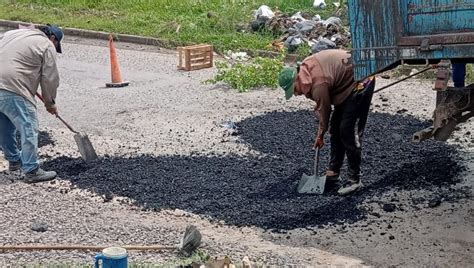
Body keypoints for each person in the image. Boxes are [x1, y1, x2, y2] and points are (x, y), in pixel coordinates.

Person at [278, 49, 375, 195]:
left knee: (346, 129)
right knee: (335, 128)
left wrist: (320, 135)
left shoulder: (318, 84)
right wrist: (323, 132)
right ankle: (333, 172)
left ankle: (355, 180)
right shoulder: (306, 70)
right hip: (347, 82)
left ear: (297, 79)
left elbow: (325, 111)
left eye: (295, 90)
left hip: (362, 79)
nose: (297, 94)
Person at [0, 24, 63, 183]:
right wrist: (50, 103)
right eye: (56, 45)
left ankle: (15, 161)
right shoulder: (47, 45)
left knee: (4, 124)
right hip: (12, 87)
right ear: (53, 38)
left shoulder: (12, 34)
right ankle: (32, 170)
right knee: (28, 125)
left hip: (5, 82)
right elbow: (49, 79)